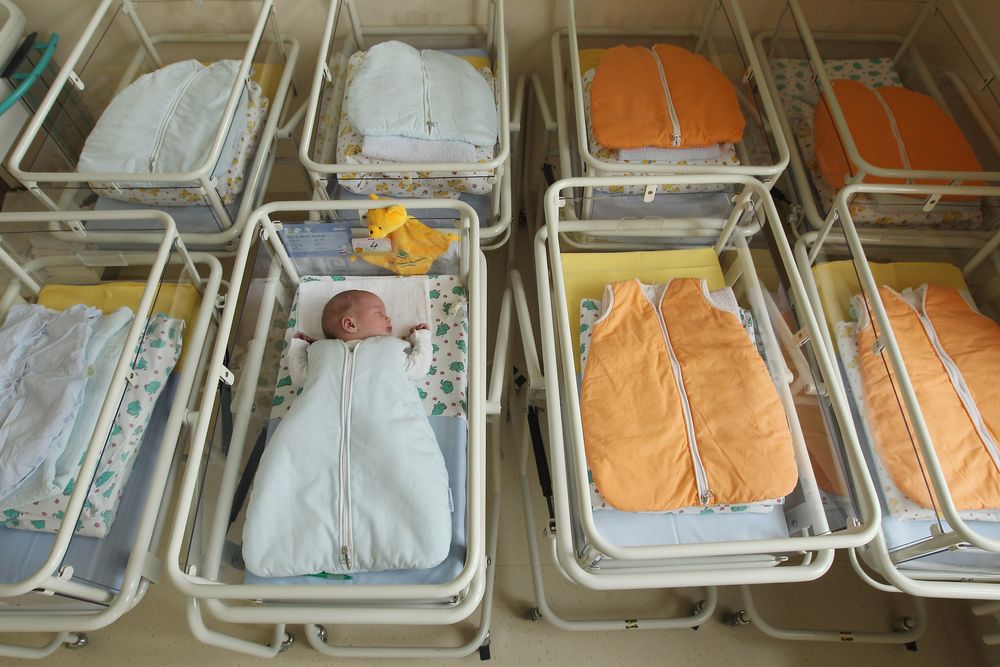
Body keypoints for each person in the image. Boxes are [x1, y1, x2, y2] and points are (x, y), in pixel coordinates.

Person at [287, 289, 430, 387]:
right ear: (350, 324)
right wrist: (301, 348)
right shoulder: (322, 351)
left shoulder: (389, 348)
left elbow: (417, 370)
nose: (388, 318)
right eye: (379, 313)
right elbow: (300, 378)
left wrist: (420, 339)